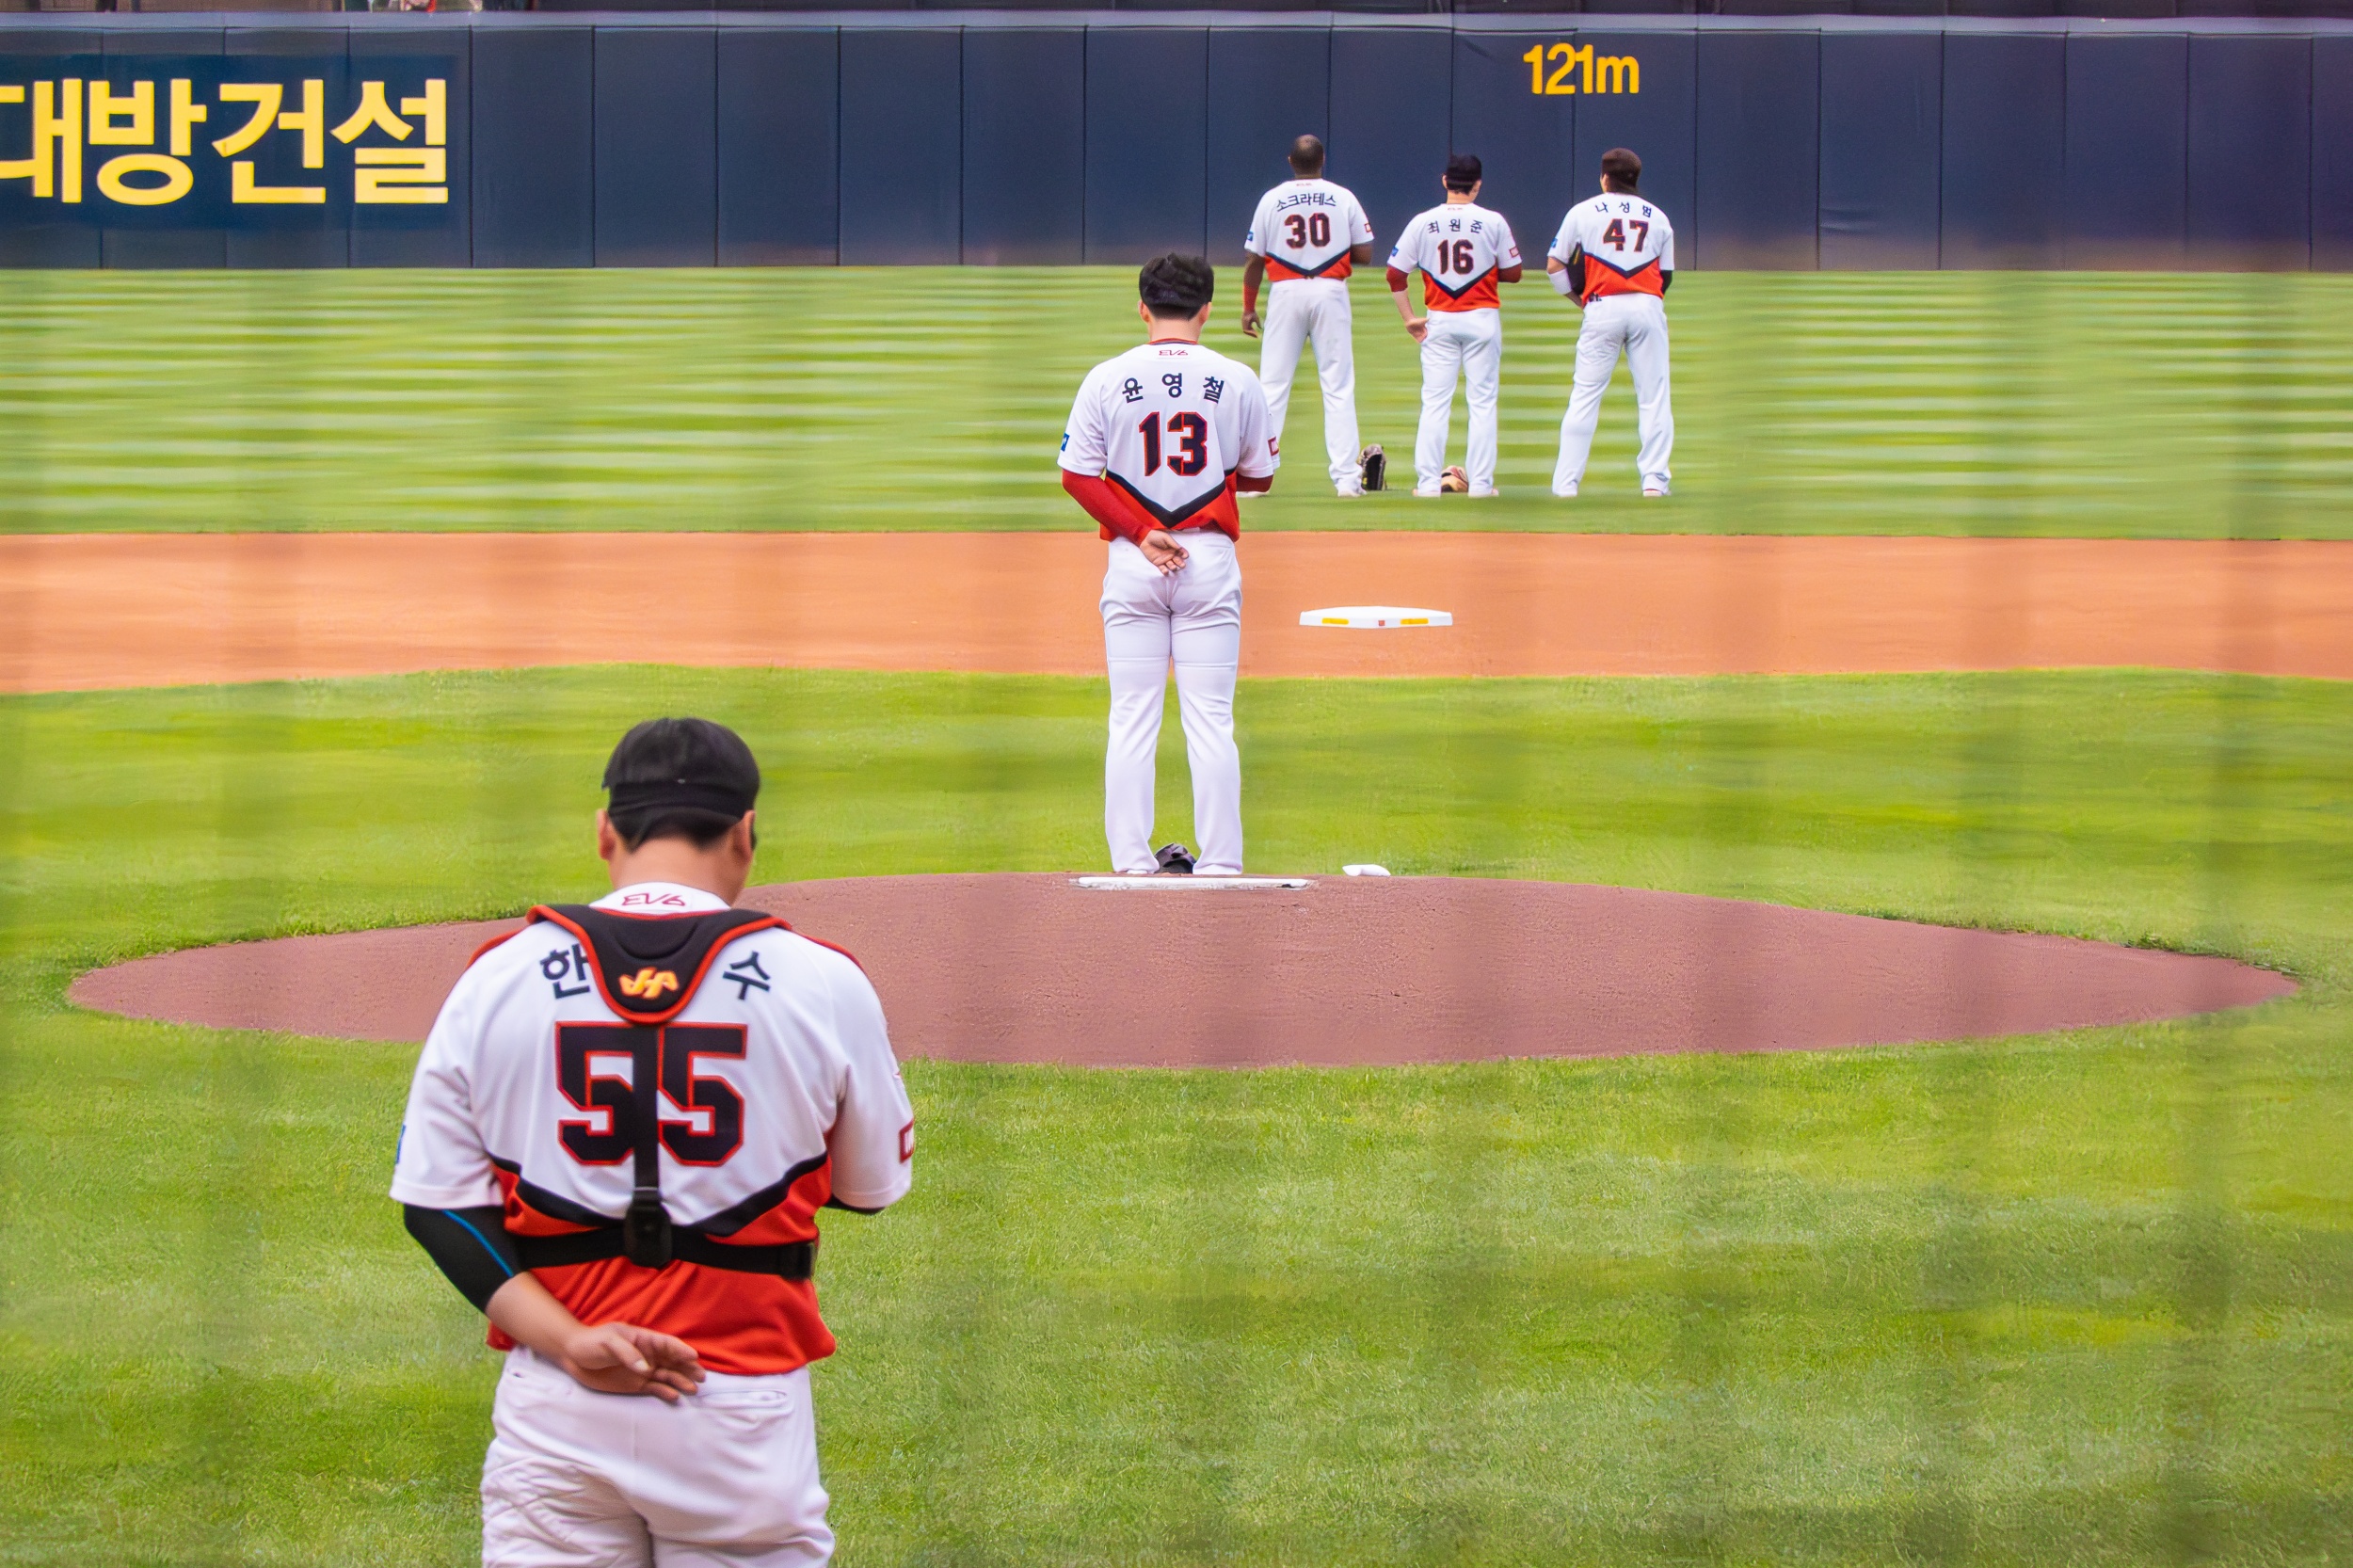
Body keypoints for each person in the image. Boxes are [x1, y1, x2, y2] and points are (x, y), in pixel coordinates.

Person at [391, 716, 915, 1567]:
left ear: (605, 831)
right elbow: (870, 1187)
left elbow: (435, 1205)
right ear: (745, 835)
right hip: (740, 1404)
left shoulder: (497, 975)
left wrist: (571, 1342)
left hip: (556, 1402)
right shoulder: (823, 980)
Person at [1058, 254, 1278, 877]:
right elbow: (1260, 476)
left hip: (1135, 561)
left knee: (1131, 716)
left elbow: (1077, 476)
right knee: (1211, 720)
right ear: (1206, 310)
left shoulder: (1107, 377)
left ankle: (1131, 862)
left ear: (1142, 308)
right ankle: (1222, 863)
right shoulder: (1237, 378)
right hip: (1208, 560)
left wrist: (1141, 530)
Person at [1239, 134, 1378, 497]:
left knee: (1272, 386)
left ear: (1290, 161)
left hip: (1285, 292)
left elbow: (1254, 259)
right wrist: (1332, 250)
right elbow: (1365, 254)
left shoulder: (1272, 198)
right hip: (1330, 291)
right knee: (1338, 387)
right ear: (1322, 160)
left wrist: (1249, 306)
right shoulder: (1342, 196)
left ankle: (1255, 480)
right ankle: (1347, 481)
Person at [1385, 152, 1524, 498]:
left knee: (1434, 403)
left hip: (1439, 319)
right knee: (1482, 404)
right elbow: (1514, 273)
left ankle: (1427, 485)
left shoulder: (1422, 222)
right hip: (1482, 320)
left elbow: (1395, 274)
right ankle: (1481, 486)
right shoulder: (1493, 221)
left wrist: (1409, 318)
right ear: (1477, 186)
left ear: (1445, 181)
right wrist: (1484, 268)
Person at [1547, 147, 1675, 498]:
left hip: (1602, 307)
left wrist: (1580, 301)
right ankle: (1654, 482)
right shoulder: (1658, 217)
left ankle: (1565, 486)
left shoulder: (1582, 211)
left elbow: (1555, 265)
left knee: (1584, 397)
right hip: (1647, 306)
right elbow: (1665, 276)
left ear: (1605, 178)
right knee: (1653, 397)